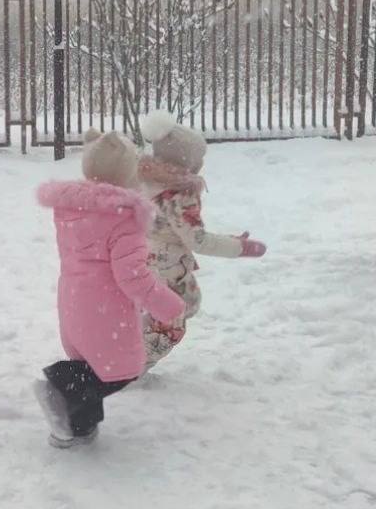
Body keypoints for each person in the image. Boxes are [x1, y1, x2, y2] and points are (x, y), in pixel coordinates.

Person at [31, 130, 186, 448]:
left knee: (91, 365)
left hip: (74, 300)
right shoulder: (123, 218)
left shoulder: (72, 208)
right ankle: (59, 386)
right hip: (106, 308)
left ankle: (78, 427)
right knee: (121, 369)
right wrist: (167, 305)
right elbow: (132, 276)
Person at [132, 113, 267, 367]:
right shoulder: (179, 193)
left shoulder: (144, 179)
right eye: (199, 158)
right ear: (186, 161)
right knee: (171, 321)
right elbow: (198, 240)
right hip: (166, 267)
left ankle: (131, 338)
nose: (202, 163)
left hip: (147, 257)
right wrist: (239, 247)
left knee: (189, 302)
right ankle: (131, 365)